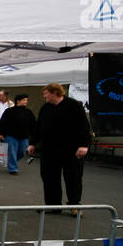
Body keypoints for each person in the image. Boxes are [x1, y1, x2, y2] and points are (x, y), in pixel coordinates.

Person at [29, 83, 91, 211]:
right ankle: (53, 204)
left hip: (71, 150)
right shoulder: (46, 108)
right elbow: (38, 126)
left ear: (55, 92)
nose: (44, 96)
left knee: (73, 177)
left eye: (46, 93)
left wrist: (84, 145)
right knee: (49, 177)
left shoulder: (73, 105)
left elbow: (84, 126)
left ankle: (74, 204)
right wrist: (33, 143)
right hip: (49, 150)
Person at [0, 94, 35, 175]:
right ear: (18, 101)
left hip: (24, 136)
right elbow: (3, 123)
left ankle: (11, 161)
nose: (26, 102)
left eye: (26, 100)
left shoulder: (29, 112)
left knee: (22, 151)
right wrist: (0, 133)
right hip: (11, 135)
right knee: (12, 152)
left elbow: (33, 124)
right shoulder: (9, 111)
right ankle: (13, 169)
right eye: (24, 100)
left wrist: (34, 134)